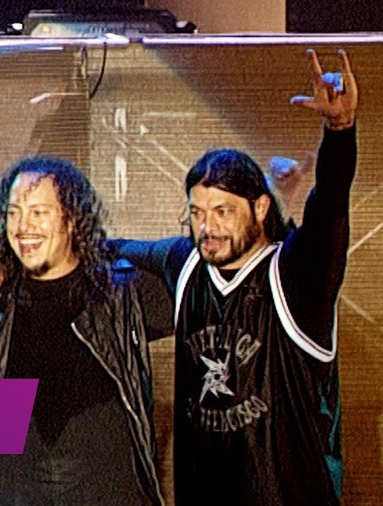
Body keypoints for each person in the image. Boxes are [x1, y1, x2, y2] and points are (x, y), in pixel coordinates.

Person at [110, 49, 357, 505]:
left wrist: (339, 131)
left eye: (223, 211)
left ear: (260, 208)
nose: (208, 227)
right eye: (198, 213)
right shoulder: (186, 263)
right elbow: (117, 246)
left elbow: (329, 206)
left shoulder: (295, 277)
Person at [0, 156, 172, 505]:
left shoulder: (123, 295)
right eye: (13, 213)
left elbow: (198, 260)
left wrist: (102, 245)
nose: (23, 226)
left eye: (39, 212)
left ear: (71, 220)